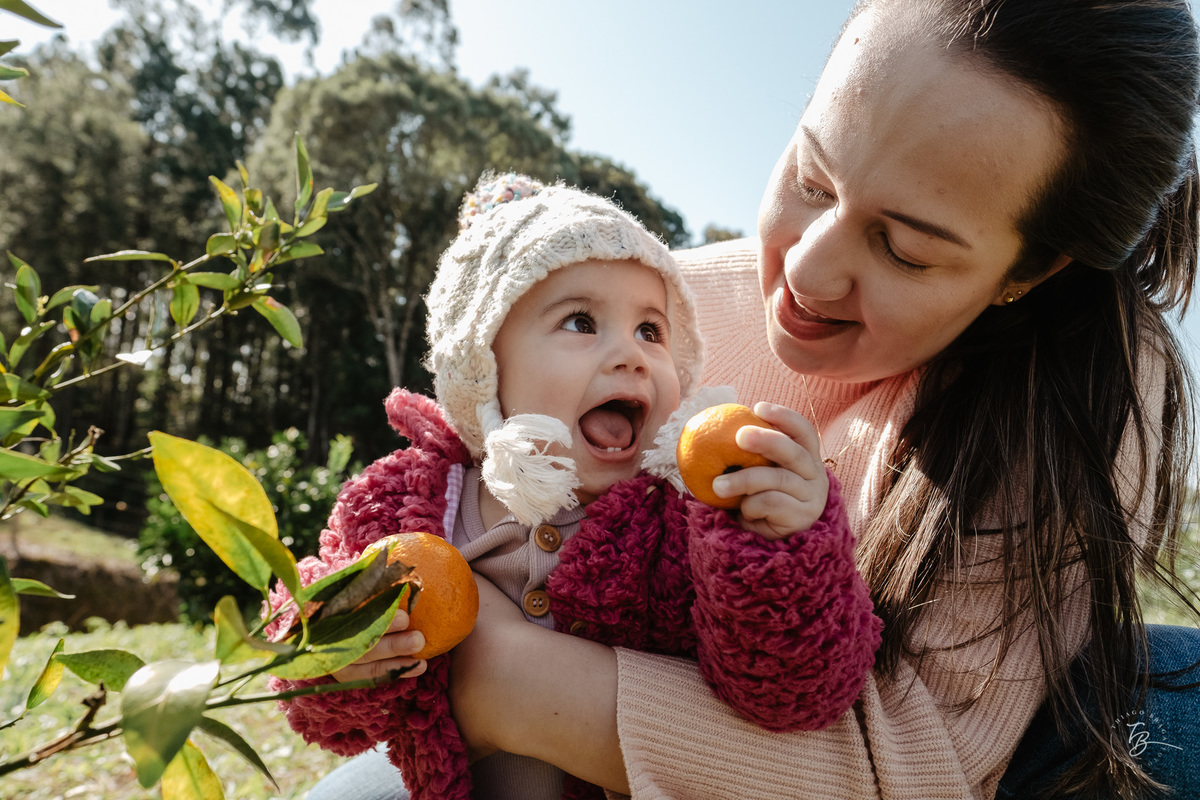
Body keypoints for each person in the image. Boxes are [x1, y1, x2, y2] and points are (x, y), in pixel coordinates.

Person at [319, 0, 1200, 797]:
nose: (806, 270)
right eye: (814, 177)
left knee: (1172, 691)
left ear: (1027, 271)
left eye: (905, 249)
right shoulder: (656, 313)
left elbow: (919, 773)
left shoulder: (1083, 400)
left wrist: (501, 681)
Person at [266, 175, 882, 800]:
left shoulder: (686, 521)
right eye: (582, 321)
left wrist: (780, 550)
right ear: (483, 365)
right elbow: (310, 667)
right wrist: (337, 657)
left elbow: (791, 690)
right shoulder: (411, 503)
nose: (631, 355)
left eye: (651, 330)